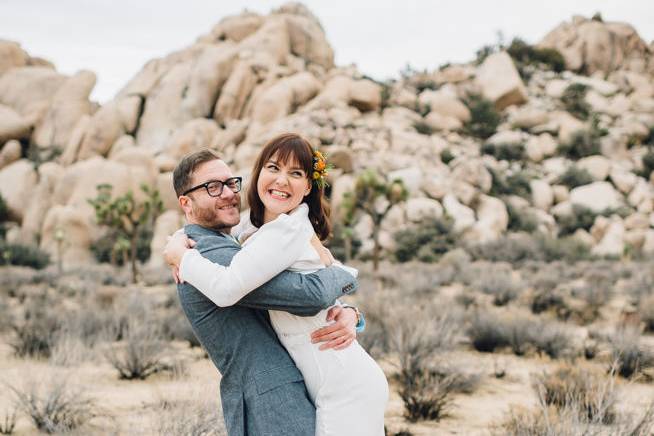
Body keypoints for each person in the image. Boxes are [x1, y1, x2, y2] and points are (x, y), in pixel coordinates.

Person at [164, 133, 388, 436]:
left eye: (231, 183)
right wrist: (344, 275)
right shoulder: (209, 251)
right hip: (274, 394)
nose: (229, 193)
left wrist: (350, 311)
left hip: (325, 382)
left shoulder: (243, 236)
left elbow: (308, 295)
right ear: (186, 203)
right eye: (212, 187)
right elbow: (311, 294)